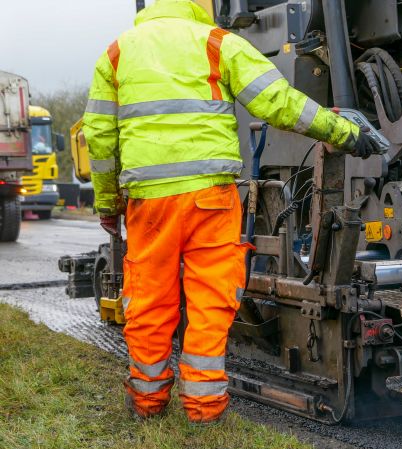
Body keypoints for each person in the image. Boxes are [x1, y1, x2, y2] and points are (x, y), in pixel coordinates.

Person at [82, 0, 381, 424]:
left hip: (149, 204)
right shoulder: (218, 42)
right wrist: (345, 132)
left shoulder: (116, 53)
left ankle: (147, 405)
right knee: (210, 300)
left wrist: (109, 204)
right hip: (211, 198)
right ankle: (204, 411)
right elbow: (278, 102)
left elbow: (99, 139)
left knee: (149, 301)